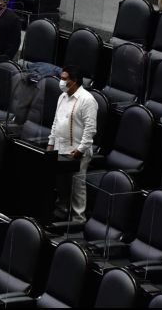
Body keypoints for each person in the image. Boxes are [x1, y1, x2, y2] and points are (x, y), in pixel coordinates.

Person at [47, 66, 98, 224]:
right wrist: (50, 143)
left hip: (78, 150)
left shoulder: (87, 100)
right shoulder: (62, 97)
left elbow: (90, 129)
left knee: (77, 186)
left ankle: (78, 219)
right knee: (61, 183)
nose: (61, 81)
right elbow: (56, 122)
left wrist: (81, 149)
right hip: (60, 147)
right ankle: (62, 212)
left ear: (74, 81)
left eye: (64, 78)